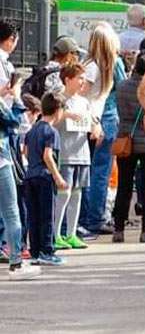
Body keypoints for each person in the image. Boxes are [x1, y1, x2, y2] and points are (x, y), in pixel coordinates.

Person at [0, 18, 41, 280]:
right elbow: (11, 111)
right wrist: (11, 93)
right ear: (11, 40)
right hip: (1, 150)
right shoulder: (4, 65)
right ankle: (16, 261)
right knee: (11, 209)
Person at [78, 22, 126, 239]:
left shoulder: (91, 66)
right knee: (101, 173)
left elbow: (81, 95)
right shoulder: (112, 65)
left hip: (91, 121)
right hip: (107, 119)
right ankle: (96, 217)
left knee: (89, 172)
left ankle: (88, 218)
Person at [112, 51, 145, 243]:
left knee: (123, 186)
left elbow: (119, 110)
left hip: (125, 140)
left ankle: (118, 230)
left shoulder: (121, 87)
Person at [23, 92, 67, 265]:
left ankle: (34, 251)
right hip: (44, 177)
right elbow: (48, 155)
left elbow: (25, 151)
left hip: (30, 175)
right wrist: (57, 177)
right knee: (47, 215)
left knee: (33, 216)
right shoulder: (51, 132)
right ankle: (47, 250)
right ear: (58, 110)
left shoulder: (32, 130)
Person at [53, 64, 93, 251]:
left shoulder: (84, 101)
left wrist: (95, 127)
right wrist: (66, 114)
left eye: (83, 78)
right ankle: (55, 234)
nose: (82, 82)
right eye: (79, 78)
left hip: (82, 152)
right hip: (66, 153)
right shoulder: (59, 99)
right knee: (64, 193)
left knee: (77, 194)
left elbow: (90, 120)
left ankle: (71, 233)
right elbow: (51, 119)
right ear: (67, 79)